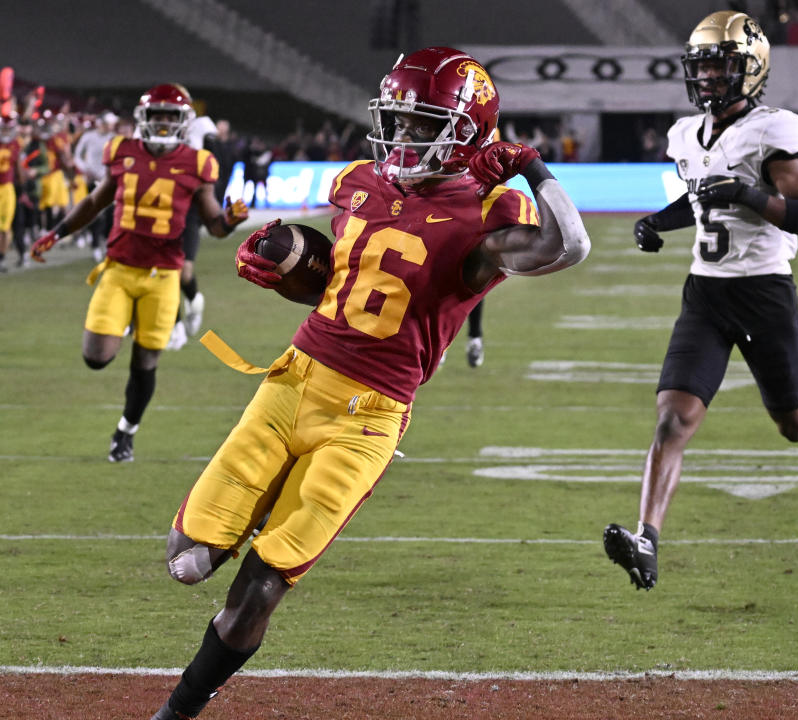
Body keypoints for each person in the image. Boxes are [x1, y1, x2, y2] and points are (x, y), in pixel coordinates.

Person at [148, 46, 589, 720]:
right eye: (399, 120)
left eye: (422, 124)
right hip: (291, 382)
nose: (402, 137)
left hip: (368, 416)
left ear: (468, 130)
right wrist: (290, 270)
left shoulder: (486, 211)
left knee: (259, 589)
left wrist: (532, 167)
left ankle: (174, 713)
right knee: (185, 561)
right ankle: (264, 503)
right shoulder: (358, 182)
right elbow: (352, 293)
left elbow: (572, 246)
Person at [602, 12, 798, 592]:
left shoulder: (774, 132)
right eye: (704, 65)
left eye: (721, 65)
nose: (710, 76)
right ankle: (647, 539)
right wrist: (657, 223)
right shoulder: (686, 135)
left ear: (751, 69)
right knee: (672, 420)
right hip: (706, 295)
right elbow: (700, 203)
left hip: (764, 290)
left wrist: (749, 193)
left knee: (792, 423)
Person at [29, 84, 249, 462]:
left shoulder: (198, 164)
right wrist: (58, 231)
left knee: (145, 362)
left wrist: (228, 221)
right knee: (96, 357)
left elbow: (213, 224)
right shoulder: (121, 151)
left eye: (170, 116)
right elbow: (96, 201)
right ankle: (125, 321)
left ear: (182, 123)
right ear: (144, 118)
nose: (162, 123)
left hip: (163, 276)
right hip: (118, 268)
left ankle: (125, 432)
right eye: (157, 115)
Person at [167, 92, 219, 350]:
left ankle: (195, 300)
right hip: (164, 207)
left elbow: (213, 162)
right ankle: (174, 326)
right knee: (167, 270)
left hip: (188, 208)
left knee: (184, 272)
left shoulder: (202, 128)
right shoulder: (159, 134)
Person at [73, 110, 118, 262]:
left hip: (109, 180)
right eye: (107, 124)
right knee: (96, 214)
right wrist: (86, 169)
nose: (110, 127)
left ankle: (107, 243)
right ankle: (95, 246)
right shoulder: (89, 136)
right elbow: (77, 155)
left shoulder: (114, 138)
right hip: (92, 180)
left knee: (111, 214)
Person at [0, 112, 26, 272]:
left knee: (4, 227)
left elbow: (19, 171)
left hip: (7, 188)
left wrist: (22, 187)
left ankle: (1, 259)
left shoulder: (15, 144)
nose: (5, 132)